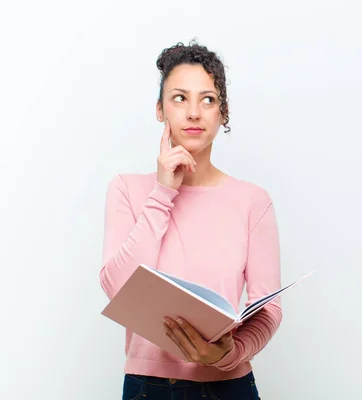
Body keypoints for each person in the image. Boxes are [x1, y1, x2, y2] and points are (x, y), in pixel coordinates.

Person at [99, 40, 281, 400]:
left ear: (223, 113)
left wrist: (227, 354)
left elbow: (268, 309)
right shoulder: (126, 190)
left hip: (229, 385)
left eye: (208, 99)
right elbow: (117, 289)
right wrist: (163, 193)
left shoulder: (253, 201)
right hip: (148, 388)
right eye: (180, 98)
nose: (194, 112)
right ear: (160, 109)